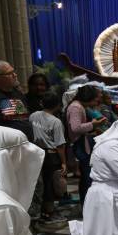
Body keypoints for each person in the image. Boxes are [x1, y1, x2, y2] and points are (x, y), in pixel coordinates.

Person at [29, 92, 68, 226]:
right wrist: (63, 162)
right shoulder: (56, 122)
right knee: (51, 184)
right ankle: (49, 213)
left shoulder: (33, 115)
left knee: (40, 184)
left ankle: (41, 211)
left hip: (35, 153)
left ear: (42, 103)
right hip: (51, 155)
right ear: (57, 106)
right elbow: (60, 144)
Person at [66, 85, 106, 204]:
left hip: (82, 143)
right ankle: (87, 205)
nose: (95, 102)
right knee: (86, 177)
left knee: (87, 177)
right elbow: (75, 128)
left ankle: (88, 204)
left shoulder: (79, 106)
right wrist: (93, 124)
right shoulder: (76, 107)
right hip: (79, 144)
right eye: (94, 99)